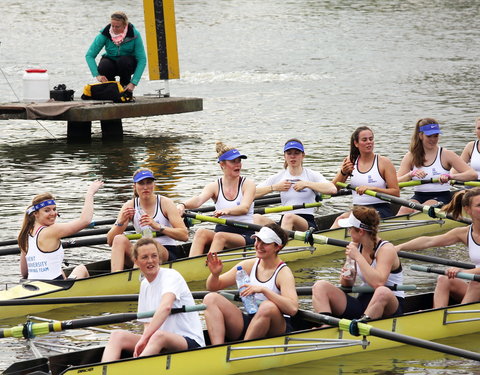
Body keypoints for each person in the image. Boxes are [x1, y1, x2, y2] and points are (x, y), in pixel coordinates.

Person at [101, 238, 205, 362]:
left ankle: (136, 368)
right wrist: (145, 341)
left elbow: (166, 307)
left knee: (158, 336)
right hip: (159, 342)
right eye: (144, 257)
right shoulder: (144, 285)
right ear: (136, 262)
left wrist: (145, 339)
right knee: (117, 336)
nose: (150, 261)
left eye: (154, 256)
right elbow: (147, 323)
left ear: (159, 258)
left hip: (188, 341)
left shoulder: (171, 275)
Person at [202, 223, 298, 344]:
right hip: (252, 318)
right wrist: (215, 274)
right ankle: (218, 349)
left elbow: (292, 308)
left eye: (265, 243)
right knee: (211, 298)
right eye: (257, 240)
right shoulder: (248, 265)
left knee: (268, 306)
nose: (259, 246)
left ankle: (242, 350)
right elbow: (212, 287)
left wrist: (263, 290)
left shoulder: (284, 273)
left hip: (276, 327)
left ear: (277, 247)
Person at [312, 206, 404, 321]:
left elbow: (378, 283)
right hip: (363, 301)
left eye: (350, 229)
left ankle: (360, 327)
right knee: (320, 286)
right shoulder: (355, 246)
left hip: (389, 304)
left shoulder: (386, 249)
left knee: (382, 291)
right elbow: (346, 284)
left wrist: (358, 257)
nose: (348, 232)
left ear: (360, 231)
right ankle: (326, 325)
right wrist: (348, 269)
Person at [395, 188, 480, 308]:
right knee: (444, 279)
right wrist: (398, 247)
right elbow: (429, 241)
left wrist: (464, 272)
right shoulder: (464, 233)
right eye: (479, 205)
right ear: (468, 210)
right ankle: (439, 314)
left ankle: (459, 318)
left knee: (476, 282)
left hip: (477, 283)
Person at [177, 142, 256, 257]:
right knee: (200, 233)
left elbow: (244, 208)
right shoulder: (214, 186)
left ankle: (209, 268)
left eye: (239, 161)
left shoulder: (248, 184)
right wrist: (182, 205)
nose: (238, 164)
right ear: (222, 164)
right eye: (233, 161)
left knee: (220, 236)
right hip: (222, 230)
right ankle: (192, 265)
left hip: (245, 233)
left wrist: (227, 211)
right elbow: (198, 200)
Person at [18, 180, 103, 280]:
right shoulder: (52, 230)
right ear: (35, 214)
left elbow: (24, 273)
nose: (53, 213)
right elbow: (85, 220)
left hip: (33, 285)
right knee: (81, 269)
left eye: (54, 209)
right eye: (47, 210)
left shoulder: (25, 235)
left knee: (59, 269)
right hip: (55, 286)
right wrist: (90, 193)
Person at [107, 168, 188, 272]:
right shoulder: (129, 206)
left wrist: (157, 226)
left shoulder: (165, 203)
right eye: (141, 183)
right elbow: (110, 241)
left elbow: (184, 235)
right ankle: (115, 278)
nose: (145, 187)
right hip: (141, 252)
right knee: (119, 239)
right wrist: (120, 222)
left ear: (153, 185)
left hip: (166, 252)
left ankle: (135, 279)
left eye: (149, 182)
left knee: (148, 243)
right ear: (135, 186)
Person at [396, 118, 477, 215]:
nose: (433, 140)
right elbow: (396, 184)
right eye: (429, 136)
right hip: (418, 196)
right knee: (404, 210)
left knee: (420, 210)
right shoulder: (410, 156)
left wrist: (450, 177)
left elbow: (472, 174)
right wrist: (410, 175)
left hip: (441, 197)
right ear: (420, 135)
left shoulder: (446, 154)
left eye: (436, 136)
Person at [254, 139, 337, 231]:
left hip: (306, 223)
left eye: (296, 153)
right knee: (256, 218)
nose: (292, 156)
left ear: (303, 156)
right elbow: (251, 193)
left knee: (289, 217)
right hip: (284, 220)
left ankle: (281, 243)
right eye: (289, 153)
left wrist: (307, 184)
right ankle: (260, 244)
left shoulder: (312, 175)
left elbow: (332, 189)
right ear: (284, 156)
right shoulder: (279, 177)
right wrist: (274, 187)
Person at [331, 126, 400, 227]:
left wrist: (373, 188)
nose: (369, 142)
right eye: (364, 140)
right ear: (356, 143)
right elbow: (334, 188)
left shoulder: (384, 162)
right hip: (358, 210)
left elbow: (396, 193)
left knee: (355, 221)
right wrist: (343, 172)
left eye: (371, 139)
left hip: (380, 209)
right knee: (339, 219)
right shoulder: (350, 161)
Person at [86, 11, 146, 92]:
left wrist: (133, 83)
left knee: (124, 61)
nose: (114, 29)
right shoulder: (105, 34)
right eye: (112, 26)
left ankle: (125, 87)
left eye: (117, 27)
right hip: (111, 62)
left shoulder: (135, 34)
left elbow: (142, 59)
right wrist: (97, 75)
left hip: (127, 64)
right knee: (104, 65)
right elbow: (89, 55)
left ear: (125, 25)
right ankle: (110, 88)